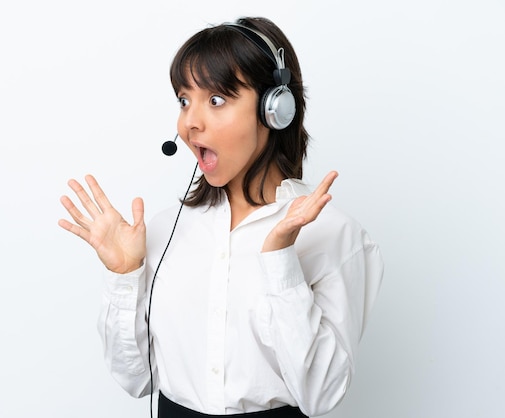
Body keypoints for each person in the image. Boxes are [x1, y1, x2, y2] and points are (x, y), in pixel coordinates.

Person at [58, 16, 384, 418]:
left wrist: (281, 260)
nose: (189, 122)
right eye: (183, 100)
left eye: (215, 100)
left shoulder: (334, 233)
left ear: (274, 109)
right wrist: (126, 275)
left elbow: (322, 396)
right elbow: (137, 380)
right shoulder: (164, 230)